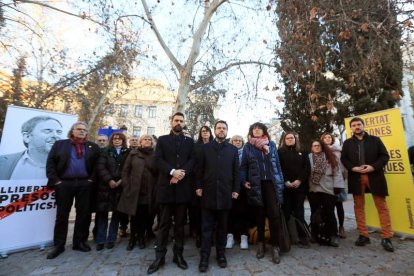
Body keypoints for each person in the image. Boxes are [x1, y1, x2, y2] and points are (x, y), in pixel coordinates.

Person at [147, 112, 195, 274]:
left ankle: (178, 255)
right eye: (176, 120)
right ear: (171, 121)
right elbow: (157, 160)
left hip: (182, 189)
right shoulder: (162, 140)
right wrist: (172, 172)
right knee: (163, 225)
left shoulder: (190, 141)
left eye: (181, 120)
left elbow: (192, 160)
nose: (178, 123)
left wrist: (181, 174)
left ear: (184, 123)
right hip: (166, 189)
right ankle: (159, 257)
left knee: (180, 226)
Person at [45, 121, 100, 259]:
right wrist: (56, 181)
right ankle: (58, 245)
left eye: (85, 130)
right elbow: (50, 163)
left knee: (84, 214)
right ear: (72, 131)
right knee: (62, 215)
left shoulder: (93, 146)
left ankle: (79, 242)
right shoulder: (60, 144)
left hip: (85, 184)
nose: (82, 131)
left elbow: (97, 165)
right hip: (64, 184)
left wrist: (91, 180)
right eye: (79, 129)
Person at [341, 117, 394, 252]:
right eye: (354, 125)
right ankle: (363, 235)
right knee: (358, 207)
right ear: (351, 128)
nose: (357, 127)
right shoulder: (347, 143)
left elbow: (384, 156)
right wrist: (352, 168)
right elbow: (344, 159)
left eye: (359, 124)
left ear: (363, 126)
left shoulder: (375, 140)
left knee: (382, 206)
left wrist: (373, 167)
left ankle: (387, 237)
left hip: (374, 176)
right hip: (356, 178)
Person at [196, 120, 240, 272]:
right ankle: (204, 257)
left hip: (225, 193)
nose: (221, 130)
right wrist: (199, 186)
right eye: (219, 128)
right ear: (214, 131)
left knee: (222, 228)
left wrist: (236, 189)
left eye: (224, 128)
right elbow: (199, 169)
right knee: (206, 228)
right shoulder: (205, 148)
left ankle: (221, 254)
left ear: (227, 131)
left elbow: (236, 172)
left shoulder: (233, 150)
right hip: (208, 192)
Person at [240, 122, 285, 264]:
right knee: (259, 215)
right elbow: (243, 167)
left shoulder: (271, 145)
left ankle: (276, 246)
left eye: (259, 128)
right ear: (251, 132)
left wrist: (280, 181)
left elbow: (276, 164)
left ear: (263, 131)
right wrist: (243, 180)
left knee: (274, 215)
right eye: (254, 129)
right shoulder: (248, 146)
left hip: (271, 184)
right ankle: (261, 244)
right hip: (256, 184)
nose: (257, 130)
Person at [118, 134, 157, 250]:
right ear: (141, 142)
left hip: (148, 191)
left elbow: (157, 172)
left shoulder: (155, 155)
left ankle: (141, 237)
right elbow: (125, 171)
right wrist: (126, 186)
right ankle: (132, 239)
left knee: (145, 216)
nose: (147, 141)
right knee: (134, 216)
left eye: (149, 139)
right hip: (134, 191)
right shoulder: (133, 154)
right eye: (145, 139)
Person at [95, 132, 130, 251]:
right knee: (102, 214)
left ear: (123, 140)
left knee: (116, 214)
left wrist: (121, 181)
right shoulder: (105, 151)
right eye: (115, 139)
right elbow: (101, 167)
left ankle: (111, 239)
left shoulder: (127, 152)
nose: (117, 140)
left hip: (120, 187)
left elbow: (128, 168)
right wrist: (109, 179)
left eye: (119, 139)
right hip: (105, 187)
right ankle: (100, 240)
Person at [0, 116, 63, 180]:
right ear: (27, 137)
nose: (56, 135)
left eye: (59, 132)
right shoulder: (3, 162)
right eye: (47, 131)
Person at [308, 140, 345, 247]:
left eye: (318, 145)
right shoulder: (309, 157)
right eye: (314, 145)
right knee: (314, 212)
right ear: (311, 147)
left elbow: (337, 172)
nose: (316, 147)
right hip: (313, 189)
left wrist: (338, 186)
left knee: (329, 212)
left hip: (328, 189)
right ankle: (314, 234)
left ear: (322, 146)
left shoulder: (330, 157)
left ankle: (333, 235)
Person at [278, 132, 311, 247]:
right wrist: (285, 181)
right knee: (286, 212)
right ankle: (290, 236)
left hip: (300, 187)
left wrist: (299, 180)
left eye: (292, 138)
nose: (290, 139)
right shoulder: (280, 153)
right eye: (287, 138)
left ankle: (303, 236)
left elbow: (307, 168)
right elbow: (279, 168)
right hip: (286, 187)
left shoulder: (303, 152)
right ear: (284, 140)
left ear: (295, 139)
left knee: (299, 212)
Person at [190, 126, 213, 248]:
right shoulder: (196, 146)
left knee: (211, 209)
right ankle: (199, 235)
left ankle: (210, 236)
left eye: (207, 131)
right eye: (202, 131)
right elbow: (193, 162)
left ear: (210, 133)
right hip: (198, 180)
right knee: (198, 210)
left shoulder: (215, 145)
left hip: (212, 182)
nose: (205, 133)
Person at [226, 135, 250, 250]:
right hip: (229, 187)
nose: (237, 142)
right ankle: (230, 236)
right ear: (231, 142)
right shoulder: (227, 152)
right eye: (235, 140)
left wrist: (245, 181)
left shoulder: (246, 154)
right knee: (230, 212)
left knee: (243, 212)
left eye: (240, 140)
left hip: (243, 187)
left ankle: (243, 236)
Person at [320, 132, 347, 238]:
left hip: (338, 180)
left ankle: (341, 227)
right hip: (325, 183)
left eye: (329, 137)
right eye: (325, 138)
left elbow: (343, 166)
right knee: (327, 207)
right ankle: (329, 227)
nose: (327, 139)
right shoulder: (320, 151)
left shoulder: (338, 151)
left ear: (332, 139)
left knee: (339, 205)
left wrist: (341, 180)